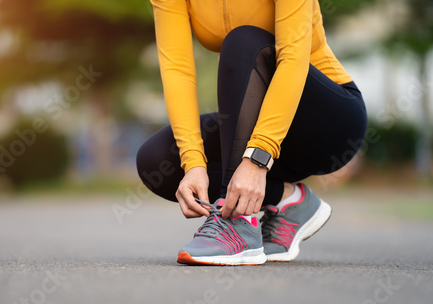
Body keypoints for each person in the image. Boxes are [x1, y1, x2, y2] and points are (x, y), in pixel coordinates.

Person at [137, 0, 367, 265]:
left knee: (242, 40)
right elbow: (177, 69)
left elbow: (293, 56)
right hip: (259, 121)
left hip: (325, 121)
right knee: (156, 161)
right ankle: (291, 201)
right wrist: (193, 163)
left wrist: (258, 158)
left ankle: (236, 223)